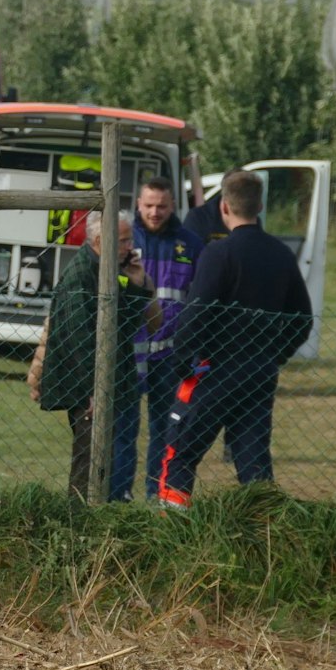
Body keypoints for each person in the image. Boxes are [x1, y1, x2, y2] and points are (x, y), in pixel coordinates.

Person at [153, 170, 314, 509]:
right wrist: (275, 355)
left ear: (224, 206)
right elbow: (302, 318)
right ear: (260, 206)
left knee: (179, 452)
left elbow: (196, 313)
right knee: (253, 460)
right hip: (259, 371)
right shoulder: (281, 254)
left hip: (215, 368)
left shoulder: (219, 253)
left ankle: (171, 528)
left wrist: (182, 362)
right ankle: (267, 532)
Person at [26, 211, 158, 502]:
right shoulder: (83, 275)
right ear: (101, 240)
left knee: (106, 457)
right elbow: (80, 340)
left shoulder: (110, 270)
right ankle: (78, 522)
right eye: (123, 241)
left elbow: (128, 321)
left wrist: (136, 281)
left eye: (129, 240)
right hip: (89, 390)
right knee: (88, 462)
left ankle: (99, 512)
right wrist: (93, 391)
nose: (130, 248)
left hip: (111, 381)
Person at [109, 177, 200, 502]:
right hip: (128, 354)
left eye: (161, 205)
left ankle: (156, 495)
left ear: (172, 205)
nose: (155, 212)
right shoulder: (121, 239)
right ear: (138, 204)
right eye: (148, 205)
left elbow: (198, 300)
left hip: (170, 355)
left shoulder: (190, 244)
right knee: (122, 430)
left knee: (165, 429)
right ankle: (118, 496)